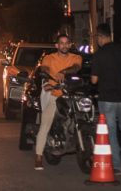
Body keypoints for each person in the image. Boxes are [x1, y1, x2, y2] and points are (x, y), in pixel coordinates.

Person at [91, 23, 121, 175]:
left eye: (96, 36)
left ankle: (117, 166)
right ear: (109, 35)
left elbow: (94, 80)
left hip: (107, 98)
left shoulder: (99, 54)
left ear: (100, 36)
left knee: (111, 131)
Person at [34, 34, 82, 170]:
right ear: (57, 45)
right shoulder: (49, 58)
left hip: (71, 96)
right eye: (61, 43)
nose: (64, 45)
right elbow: (45, 68)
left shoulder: (76, 57)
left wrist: (64, 72)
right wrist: (47, 74)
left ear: (70, 44)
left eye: (67, 43)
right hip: (54, 94)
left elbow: (76, 67)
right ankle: (38, 157)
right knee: (45, 125)